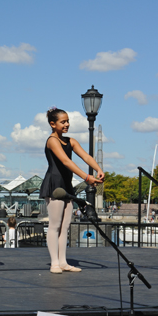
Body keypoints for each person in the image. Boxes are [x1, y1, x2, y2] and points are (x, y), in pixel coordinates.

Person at [38, 107, 104, 274]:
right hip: (55, 184)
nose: (67, 124)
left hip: (67, 185)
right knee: (54, 225)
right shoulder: (52, 141)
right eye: (63, 122)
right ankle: (54, 263)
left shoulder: (71, 141)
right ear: (53, 124)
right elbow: (66, 162)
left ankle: (63, 261)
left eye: (68, 121)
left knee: (65, 225)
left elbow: (86, 157)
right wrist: (86, 177)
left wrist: (98, 169)